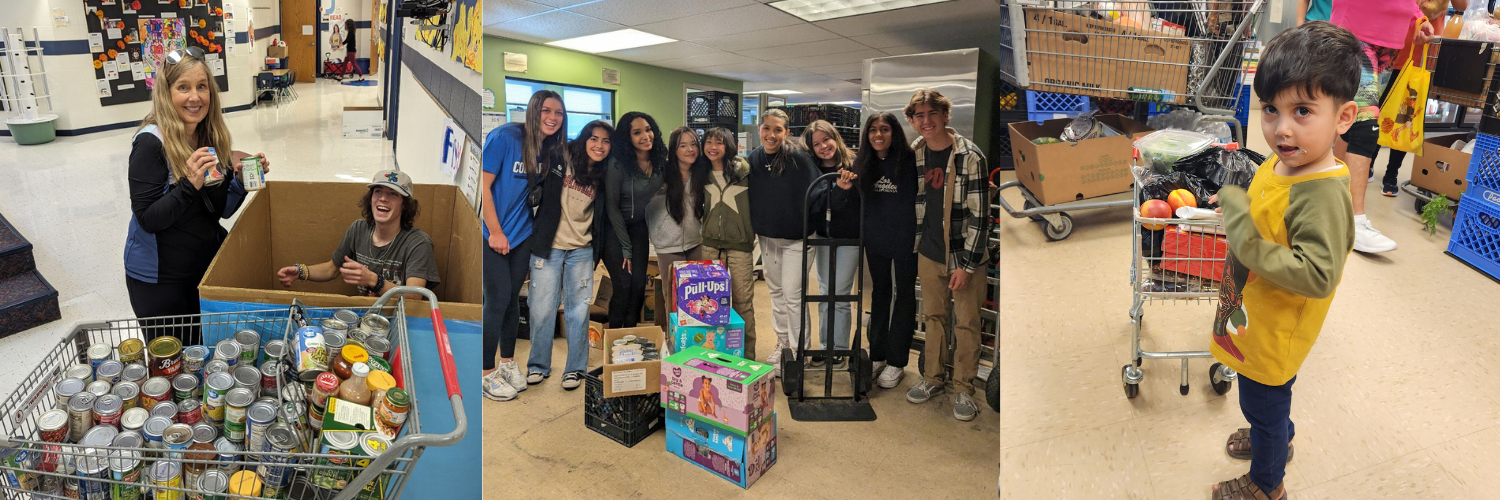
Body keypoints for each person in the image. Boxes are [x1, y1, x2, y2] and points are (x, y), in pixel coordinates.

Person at [1207, 22, 1358, 500]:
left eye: (1303, 111)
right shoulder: (1286, 161)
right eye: (1271, 109)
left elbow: (1319, 274)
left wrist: (1250, 246)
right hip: (1254, 314)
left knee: (1264, 399)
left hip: (1276, 330)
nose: (1281, 128)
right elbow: (1265, 200)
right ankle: (1275, 434)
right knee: (1265, 402)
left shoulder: (1321, 194)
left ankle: (1266, 483)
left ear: (1344, 117)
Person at [125, 46, 268, 346]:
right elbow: (149, 218)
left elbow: (219, 211)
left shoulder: (210, 137)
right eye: (183, 88)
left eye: (202, 87)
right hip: (160, 279)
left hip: (202, 270)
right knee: (172, 361)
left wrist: (239, 181)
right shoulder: (151, 143)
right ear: (166, 93)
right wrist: (189, 183)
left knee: (202, 351)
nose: (195, 97)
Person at [902, 89, 992, 422]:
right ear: (912, 121)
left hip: (964, 257)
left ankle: (964, 390)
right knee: (934, 319)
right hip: (929, 253)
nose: (926, 122)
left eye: (932, 114)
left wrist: (966, 267)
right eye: (918, 116)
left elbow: (981, 218)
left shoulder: (970, 156)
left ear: (945, 115)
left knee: (967, 324)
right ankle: (932, 379)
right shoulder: (916, 152)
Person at [481, 90, 567, 402]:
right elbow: (484, 187)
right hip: (493, 235)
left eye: (558, 113)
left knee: (512, 302)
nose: (552, 118)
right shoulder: (505, 137)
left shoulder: (549, 149)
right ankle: (485, 372)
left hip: (522, 236)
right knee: (497, 299)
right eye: (546, 110)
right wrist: (494, 232)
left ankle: (506, 363)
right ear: (533, 111)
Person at [1329, 0, 1432, 252]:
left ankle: (1327, 198)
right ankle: (1353, 222)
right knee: (1366, 123)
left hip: (1390, 42)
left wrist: (1416, 16)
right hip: (1355, 34)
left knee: (1349, 122)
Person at [522, 120, 611, 391]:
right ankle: (538, 365)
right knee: (541, 308)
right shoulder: (561, 159)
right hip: (549, 247)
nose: (599, 145)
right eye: (594, 138)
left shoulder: (605, 174)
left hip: (582, 249)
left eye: (606, 141)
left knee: (578, 311)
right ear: (584, 139)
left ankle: (575, 369)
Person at [746, 108, 829, 375]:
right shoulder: (754, 159)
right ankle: (784, 345)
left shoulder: (798, 159)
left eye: (777, 130)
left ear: (786, 133)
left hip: (797, 240)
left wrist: (805, 224)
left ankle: (799, 351)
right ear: (759, 129)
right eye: (766, 128)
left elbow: (819, 191)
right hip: (769, 239)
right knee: (776, 295)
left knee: (794, 296)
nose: (771, 135)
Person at [274, 170, 439, 300]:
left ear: (405, 205)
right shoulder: (359, 229)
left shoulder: (418, 243)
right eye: (378, 191)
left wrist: (373, 280)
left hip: (401, 320)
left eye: (393, 194)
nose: (383, 198)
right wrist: (301, 271)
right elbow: (332, 269)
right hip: (365, 315)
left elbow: (414, 296)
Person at [852, 111, 920, 390]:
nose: (878, 135)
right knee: (879, 293)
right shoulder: (863, 163)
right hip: (875, 239)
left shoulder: (910, 161)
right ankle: (878, 354)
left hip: (906, 240)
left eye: (884, 129)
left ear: (895, 133)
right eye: (873, 130)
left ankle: (897, 361)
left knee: (904, 295)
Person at [1377, 0, 1465, 196]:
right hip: (1394, 47)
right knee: (1380, 111)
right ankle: (1368, 165)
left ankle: (1391, 174)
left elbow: (1462, 5)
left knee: (1409, 118)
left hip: (1426, 54)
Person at [802, 120, 860, 369]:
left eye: (826, 140)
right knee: (825, 292)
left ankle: (839, 349)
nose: (823, 146)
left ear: (835, 137)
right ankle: (825, 347)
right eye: (816, 144)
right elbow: (815, 208)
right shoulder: (812, 170)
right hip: (822, 237)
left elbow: (845, 205)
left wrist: (842, 190)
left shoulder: (853, 166)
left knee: (840, 294)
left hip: (848, 239)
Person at [603, 112, 667, 328]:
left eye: (648, 129)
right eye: (637, 132)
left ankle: (628, 338)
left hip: (639, 227)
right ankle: (614, 338)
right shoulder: (618, 164)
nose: (645, 136)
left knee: (639, 285)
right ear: (627, 137)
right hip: (614, 227)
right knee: (623, 285)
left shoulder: (659, 161)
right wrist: (625, 248)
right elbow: (611, 207)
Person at [699, 127, 758, 361]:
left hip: (740, 245)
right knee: (708, 303)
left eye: (719, 143)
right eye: (709, 142)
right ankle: (712, 354)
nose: (713, 147)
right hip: (709, 245)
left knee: (743, 302)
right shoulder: (701, 173)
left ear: (729, 146)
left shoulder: (744, 171)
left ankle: (747, 357)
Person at [649, 127, 710, 308]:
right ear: (674, 150)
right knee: (674, 296)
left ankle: (693, 335)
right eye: (683, 145)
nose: (689, 149)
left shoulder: (701, 174)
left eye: (693, 144)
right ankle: (673, 336)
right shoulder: (660, 174)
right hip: (667, 245)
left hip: (696, 241)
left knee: (699, 296)